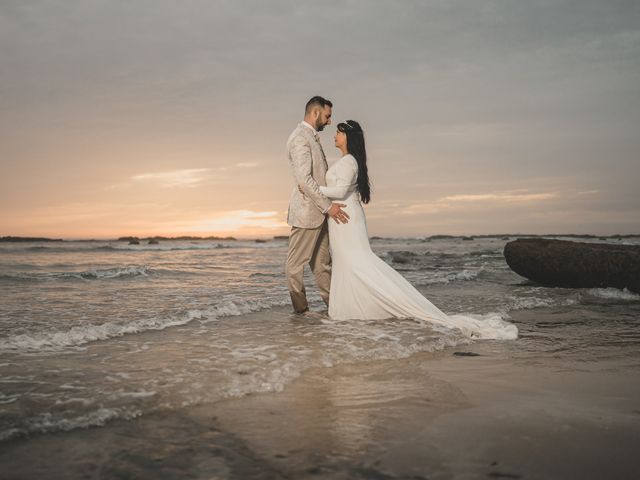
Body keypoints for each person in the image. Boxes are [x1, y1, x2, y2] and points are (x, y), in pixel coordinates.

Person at [299, 119, 518, 340]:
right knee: (350, 263)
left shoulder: (348, 162)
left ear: (349, 137)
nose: (335, 135)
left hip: (345, 218)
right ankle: (353, 308)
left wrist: (311, 188)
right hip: (342, 217)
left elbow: (340, 190)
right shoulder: (347, 161)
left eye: (339, 132)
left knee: (357, 263)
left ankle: (369, 306)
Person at [285, 96, 350, 314]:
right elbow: (304, 179)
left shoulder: (311, 137)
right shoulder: (300, 138)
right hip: (307, 212)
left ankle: (336, 309)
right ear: (315, 113)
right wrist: (328, 207)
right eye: (327, 116)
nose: (330, 121)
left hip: (319, 213)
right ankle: (300, 312)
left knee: (322, 265)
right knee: (295, 265)